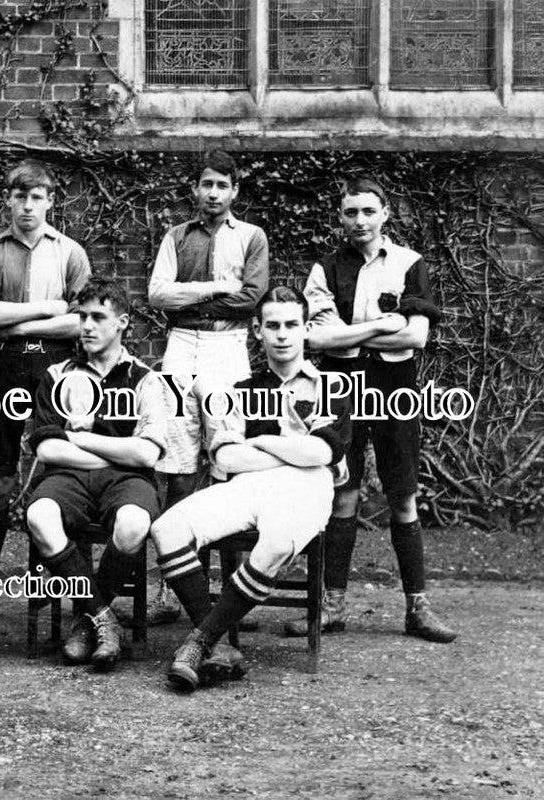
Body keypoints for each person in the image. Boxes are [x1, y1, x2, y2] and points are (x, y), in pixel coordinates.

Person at [151, 286, 351, 692]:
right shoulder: (239, 389)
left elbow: (322, 453)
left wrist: (262, 442)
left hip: (307, 488)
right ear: (256, 330)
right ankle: (219, 645)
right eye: (272, 325)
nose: (282, 334)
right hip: (249, 485)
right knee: (166, 528)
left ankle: (199, 642)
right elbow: (226, 459)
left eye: (291, 325)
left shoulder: (328, 385)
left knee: (276, 542)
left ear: (306, 329)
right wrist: (296, 450)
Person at [291, 177, 456, 643]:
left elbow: (416, 336)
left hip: (394, 387)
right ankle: (332, 606)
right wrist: (384, 323)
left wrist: (353, 331)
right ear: (340, 217)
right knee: (343, 493)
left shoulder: (409, 263)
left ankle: (417, 609)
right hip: (341, 386)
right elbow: (318, 339)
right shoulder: (325, 268)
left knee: (402, 495)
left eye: (368, 211)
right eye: (350, 213)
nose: (359, 221)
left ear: (385, 213)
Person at [0, 159, 91, 620]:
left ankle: (54, 591)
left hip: (54, 365)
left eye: (37, 197)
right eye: (20, 196)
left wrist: (17, 318)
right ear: (8, 200)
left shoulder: (70, 253)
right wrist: (45, 309)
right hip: (1, 363)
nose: (28, 206)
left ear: (51, 201)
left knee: (52, 467)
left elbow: (81, 319)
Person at [146, 149, 269, 625]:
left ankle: (233, 597)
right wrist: (214, 288)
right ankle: (172, 591)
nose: (213, 193)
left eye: (223, 185)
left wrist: (193, 298)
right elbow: (158, 295)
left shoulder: (251, 237)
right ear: (194, 189)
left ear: (234, 190)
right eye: (206, 184)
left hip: (227, 349)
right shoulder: (176, 236)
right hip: (181, 347)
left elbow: (251, 298)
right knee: (177, 462)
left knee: (227, 457)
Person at [23, 276, 168, 672]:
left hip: (127, 483)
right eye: (81, 316)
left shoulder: (145, 379)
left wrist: (79, 437)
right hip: (68, 477)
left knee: (134, 523)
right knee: (40, 515)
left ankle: (86, 620)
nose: (86, 326)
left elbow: (147, 453)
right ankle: (103, 618)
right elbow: (47, 447)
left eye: (98, 317)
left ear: (122, 322)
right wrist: (116, 454)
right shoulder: (56, 375)